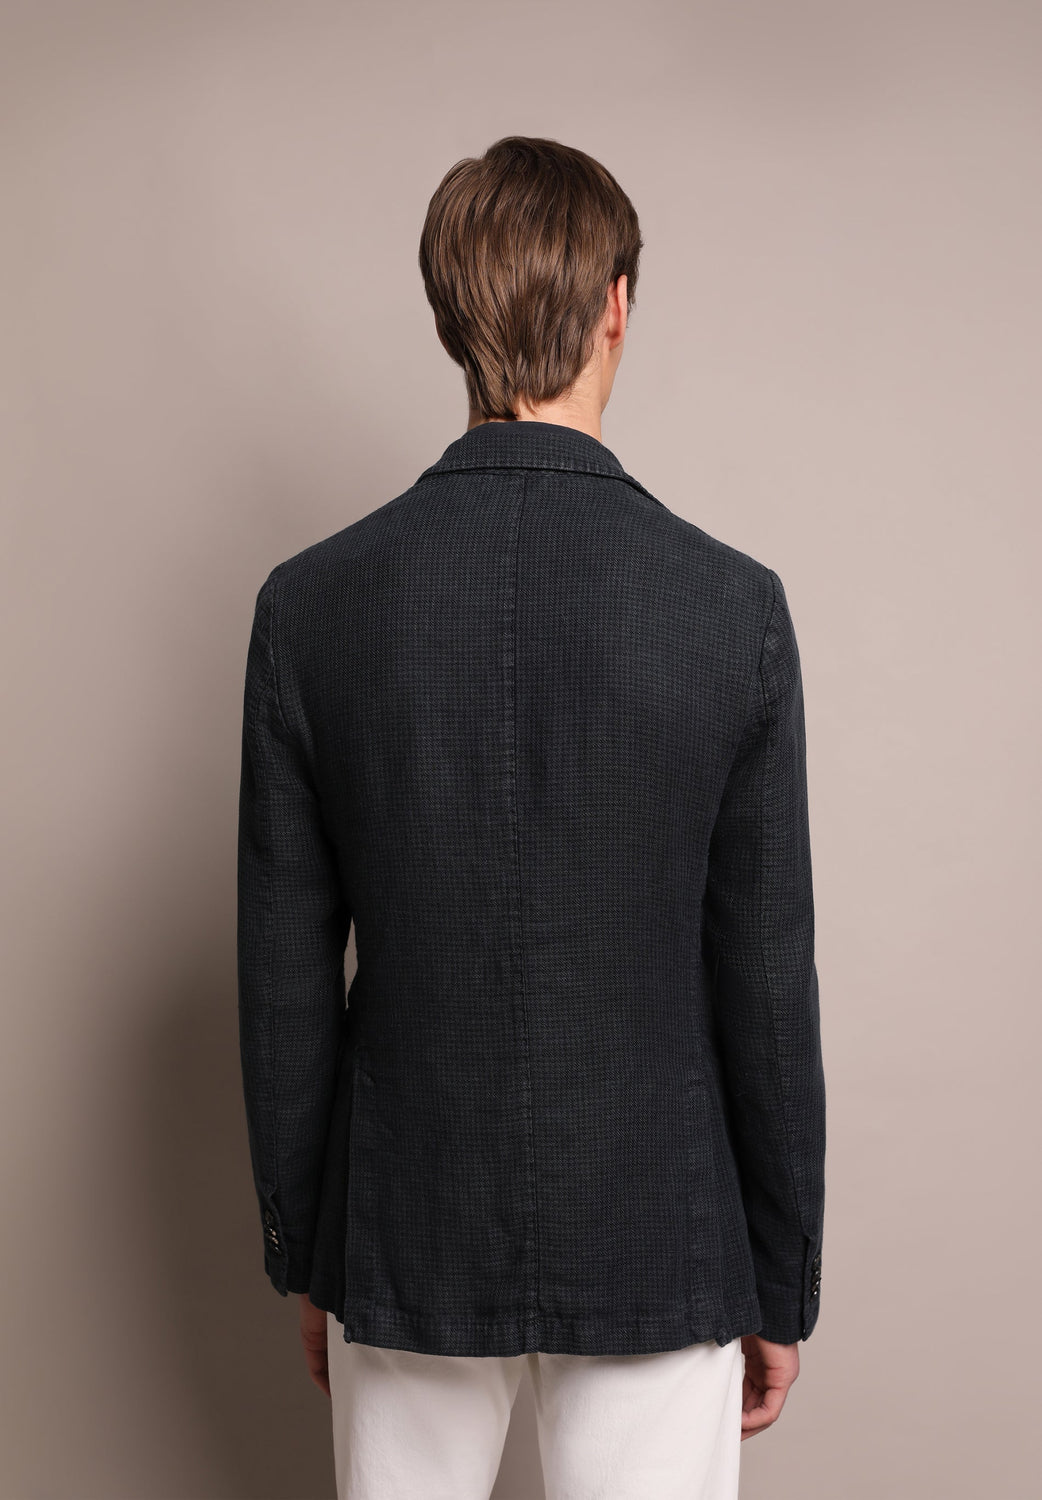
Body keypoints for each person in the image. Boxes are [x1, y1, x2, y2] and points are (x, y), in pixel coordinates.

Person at [237, 134, 826, 1500]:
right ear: (617, 304)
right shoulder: (728, 610)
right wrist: (778, 1274)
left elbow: (283, 981)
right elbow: (764, 981)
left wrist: (310, 1252)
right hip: (657, 1230)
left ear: (450, 314)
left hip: (406, 1223)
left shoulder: (311, 608)